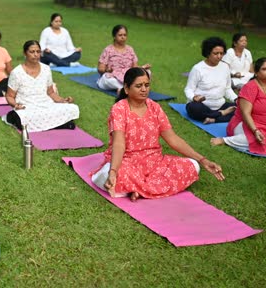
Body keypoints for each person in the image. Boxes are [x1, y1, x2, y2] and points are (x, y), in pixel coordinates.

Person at [91, 67, 225, 201]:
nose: (144, 89)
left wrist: (202, 160)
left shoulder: (155, 107)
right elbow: (119, 143)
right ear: (126, 88)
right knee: (113, 173)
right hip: (127, 162)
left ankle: (136, 189)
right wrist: (113, 171)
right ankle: (137, 187)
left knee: (192, 166)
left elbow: (172, 138)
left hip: (154, 162)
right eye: (139, 86)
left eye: (147, 85)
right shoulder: (119, 109)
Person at [211, 58, 266, 155]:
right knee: (255, 139)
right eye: (265, 69)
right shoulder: (250, 87)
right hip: (249, 125)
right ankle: (225, 140)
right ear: (256, 72)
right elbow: (245, 113)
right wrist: (255, 131)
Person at [4, 40, 80, 132]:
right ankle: (60, 124)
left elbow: (51, 92)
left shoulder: (46, 69)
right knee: (25, 116)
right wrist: (15, 105)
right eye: (32, 52)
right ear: (25, 53)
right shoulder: (16, 72)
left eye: (38, 52)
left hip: (46, 104)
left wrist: (63, 100)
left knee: (71, 107)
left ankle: (53, 124)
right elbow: (9, 96)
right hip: (27, 107)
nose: (36, 54)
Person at [184, 37, 237, 124]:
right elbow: (188, 89)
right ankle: (220, 115)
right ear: (208, 53)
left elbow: (227, 89)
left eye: (221, 53)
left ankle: (214, 118)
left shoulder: (225, 67)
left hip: (220, 105)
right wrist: (194, 97)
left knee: (242, 108)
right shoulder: (198, 68)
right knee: (194, 108)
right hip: (202, 106)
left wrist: (236, 99)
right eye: (215, 53)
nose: (219, 56)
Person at [96, 24, 151, 92]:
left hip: (128, 77)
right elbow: (100, 69)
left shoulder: (130, 49)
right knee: (107, 79)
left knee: (148, 72)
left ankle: (126, 88)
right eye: (120, 35)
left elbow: (134, 68)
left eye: (125, 35)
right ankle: (129, 88)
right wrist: (107, 70)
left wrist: (142, 68)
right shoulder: (108, 50)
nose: (123, 37)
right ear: (114, 36)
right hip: (113, 77)